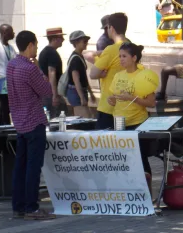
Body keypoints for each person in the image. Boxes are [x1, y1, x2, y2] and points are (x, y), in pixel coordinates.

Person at [7, 30, 55, 220]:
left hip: (19, 120)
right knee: (33, 167)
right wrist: (43, 73)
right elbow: (46, 90)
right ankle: (32, 207)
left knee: (20, 166)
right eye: (35, 44)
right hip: (34, 121)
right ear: (29, 46)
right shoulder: (30, 68)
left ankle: (18, 206)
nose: (36, 47)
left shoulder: (12, 65)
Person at [108, 43, 157, 174]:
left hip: (137, 124)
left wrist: (132, 98)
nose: (121, 59)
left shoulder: (144, 76)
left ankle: (147, 191)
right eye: (119, 56)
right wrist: (111, 100)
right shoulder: (118, 75)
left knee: (140, 160)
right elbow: (114, 97)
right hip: (119, 124)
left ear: (134, 58)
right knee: (123, 161)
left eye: (124, 56)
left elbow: (151, 103)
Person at [89, 13, 129, 129]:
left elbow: (93, 74)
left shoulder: (110, 50)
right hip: (129, 105)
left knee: (103, 144)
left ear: (111, 28)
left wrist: (101, 73)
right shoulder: (132, 47)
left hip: (109, 106)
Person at [38, 27, 67, 118]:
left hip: (46, 92)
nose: (63, 40)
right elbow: (52, 73)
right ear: (54, 39)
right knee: (57, 119)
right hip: (51, 93)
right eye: (61, 38)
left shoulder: (44, 52)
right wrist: (55, 95)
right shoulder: (52, 53)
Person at [66, 31, 96, 115]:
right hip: (76, 91)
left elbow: (84, 78)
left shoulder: (80, 56)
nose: (86, 43)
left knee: (85, 117)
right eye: (84, 41)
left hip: (80, 91)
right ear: (76, 42)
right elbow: (76, 80)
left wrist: (91, 93)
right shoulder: (75, 59)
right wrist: (82, 97)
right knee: (83, 118)